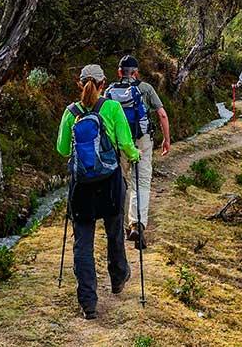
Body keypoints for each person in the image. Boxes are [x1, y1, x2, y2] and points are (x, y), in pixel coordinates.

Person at [57, 63, 140, 319]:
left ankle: (88, 303)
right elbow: (126, 144)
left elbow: (62, 149)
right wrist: (136, 155)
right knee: (114, 232)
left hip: (82, 186)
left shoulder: (71, 112)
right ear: (104, 83)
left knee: (83, 243)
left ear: (80, 84)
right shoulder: (112, 107)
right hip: (110, 182)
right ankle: (118, 277)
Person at [105, 54, 171, 250]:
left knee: (122, 182)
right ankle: (137, 224)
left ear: (119, 72)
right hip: (142, 140)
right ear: (136, 73)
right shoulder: (145, 88)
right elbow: (162, 114)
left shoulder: (110, 91)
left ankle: (124, 226)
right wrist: (167, 140)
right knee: (141, 181)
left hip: (120, 143)